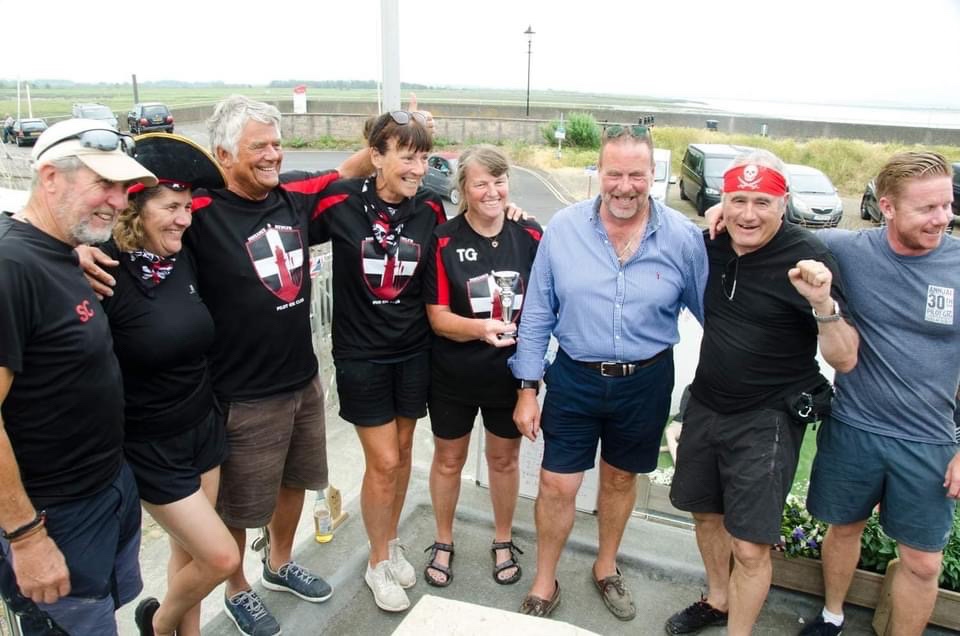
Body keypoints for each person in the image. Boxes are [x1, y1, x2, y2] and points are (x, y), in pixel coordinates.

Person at [81, 96, 375, 636]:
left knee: (296, 482)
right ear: (223, 154)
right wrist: (73, 251)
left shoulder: (293, 194)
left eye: (277, 144)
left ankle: (279, 564)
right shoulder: (197, 210)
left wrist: (391, 132)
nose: (273, 155)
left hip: (301, 378)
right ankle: (237, 588)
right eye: (259, 146)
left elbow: (350, 169)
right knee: (236, 511)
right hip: (240, 394)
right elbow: (118, 222)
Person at [509, 124, 708, 619]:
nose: (625, 186)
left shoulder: (683, 238)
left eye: (636, 175)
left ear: (654, 174)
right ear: (598, 172)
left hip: (646, 381)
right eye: (614, 174)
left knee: (620, 481)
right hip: (574, 377)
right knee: (557, 485)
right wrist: (527, 389)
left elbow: (715, 318)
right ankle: (545, 578)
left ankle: (605, 566)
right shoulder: (563, 229)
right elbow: (537, 313)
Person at [663, 150, 859, 636]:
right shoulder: (713, 242)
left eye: (762, 202)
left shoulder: (810, 258)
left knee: (750, 546)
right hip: (707, 402)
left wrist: (822, 303)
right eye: (738, 200)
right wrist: (720, 214)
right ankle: (717, 599)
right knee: (705, 514)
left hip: (767, 417)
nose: (748, 214)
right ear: (723, 201)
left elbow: (844, 358)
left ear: (784, 202)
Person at [0, 118, 157, 634]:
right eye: (103, 183)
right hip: (55, 514)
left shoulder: (61, 247)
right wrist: (26, 537)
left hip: (104, 489)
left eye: (123, 188)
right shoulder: (11, 268)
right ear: (50, 178)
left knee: (104, 613)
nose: (118, 201)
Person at [794, 152, 960, 635]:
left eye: (947, 205)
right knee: (843, 528)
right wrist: (721, 213)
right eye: (927, 208)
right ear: (886, 207)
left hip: (930, 439)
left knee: (923, 562)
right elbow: (772, 229)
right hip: (854, 427)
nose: (942, 218)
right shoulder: (848, 250)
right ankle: (832, 615)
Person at [96, 134, 239, 636]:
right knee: (220, 557)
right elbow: (28, 248)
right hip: (151, 444)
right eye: (171, 207)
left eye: (187, 207)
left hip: (203, 427)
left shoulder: (181, 255)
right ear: (135, 208)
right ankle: (157, 625)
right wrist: (72, 257)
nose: (184, 219)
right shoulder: (101, 267)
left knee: (191, 552)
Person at [311, 110, 444, 612]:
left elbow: (472, 228)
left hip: (413, 350)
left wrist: (512, 211)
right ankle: (376, 561)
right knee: (383, 461)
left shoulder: (430, 207)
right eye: (407, 157)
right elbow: (285, 208)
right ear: (376, 157)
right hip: (361, 354)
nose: (418, 169)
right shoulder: (341, 201)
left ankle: (389, 542)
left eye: (424, 157)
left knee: (403, 454)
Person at [421, 145, 542, 588]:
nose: (492, 191)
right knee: (448, 460)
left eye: (499, 181)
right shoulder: (444, 240)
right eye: (481, 184)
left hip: (509, 377)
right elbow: (438, 318)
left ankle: (503, 538)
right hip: (453, 375)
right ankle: (443, 539)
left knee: (504, 461)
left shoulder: (529, 233)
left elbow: (543, 306)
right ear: (463, 190)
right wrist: (480, 329)